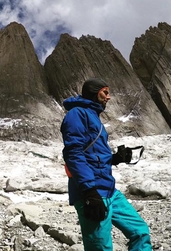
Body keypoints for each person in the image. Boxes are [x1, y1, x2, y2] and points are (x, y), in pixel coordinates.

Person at [61, 78, 151, 251]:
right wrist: (89, 191)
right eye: (105, 92)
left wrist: (115, 158)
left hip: (109, 190)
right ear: (94, 93)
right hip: (92, 192)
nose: (108, 97)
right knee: (100, 247)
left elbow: (93, 155)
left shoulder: (93, 116)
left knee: (140, 231)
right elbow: (73, 153)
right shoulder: (77, 114)